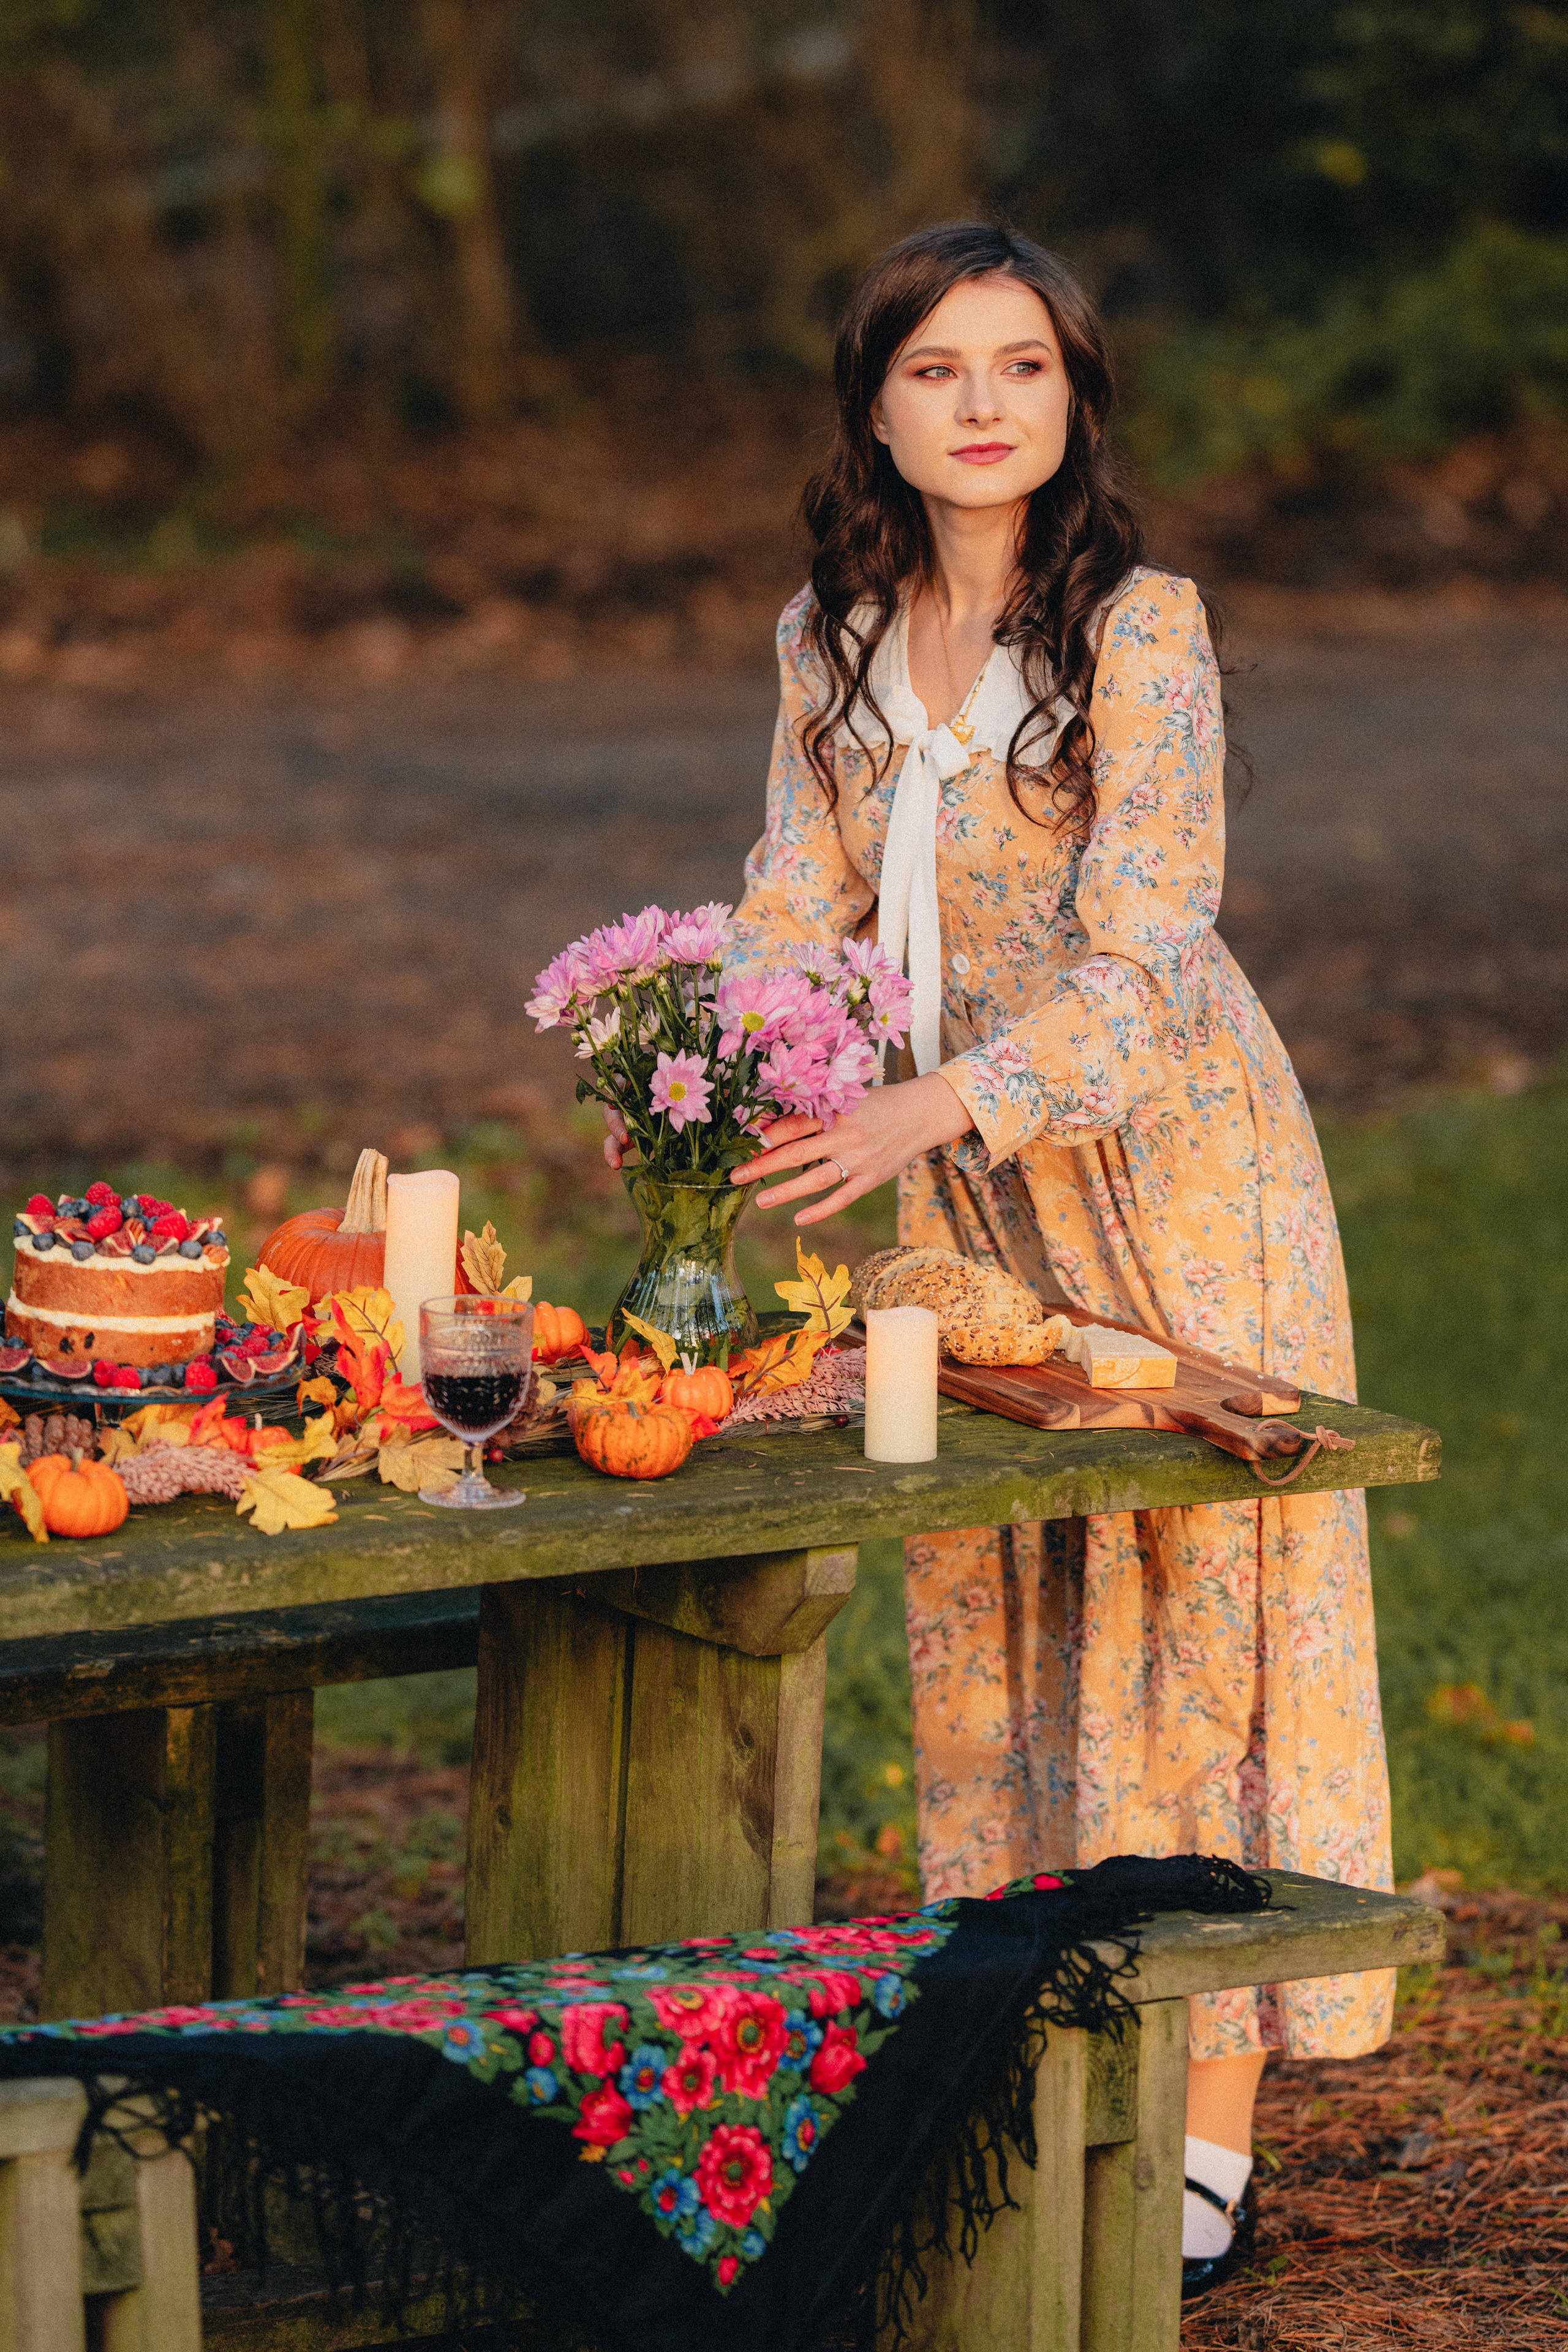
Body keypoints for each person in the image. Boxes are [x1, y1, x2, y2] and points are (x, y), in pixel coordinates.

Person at [605, 220, 1393, 2296]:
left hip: (1166, 1170)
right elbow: (798, 895)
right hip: (961, 1193)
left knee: (1189, 1613)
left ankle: (1209, 2130)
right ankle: (1035, 2040)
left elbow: (1157, 945)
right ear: (874, 401)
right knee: (1010, 1599)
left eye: (1021, 365)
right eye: (938, 367)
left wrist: (932, 1103)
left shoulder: (1142, 630)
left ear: (1072, 397)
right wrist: (711, 1056)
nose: (981, 403)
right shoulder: (833, 634)